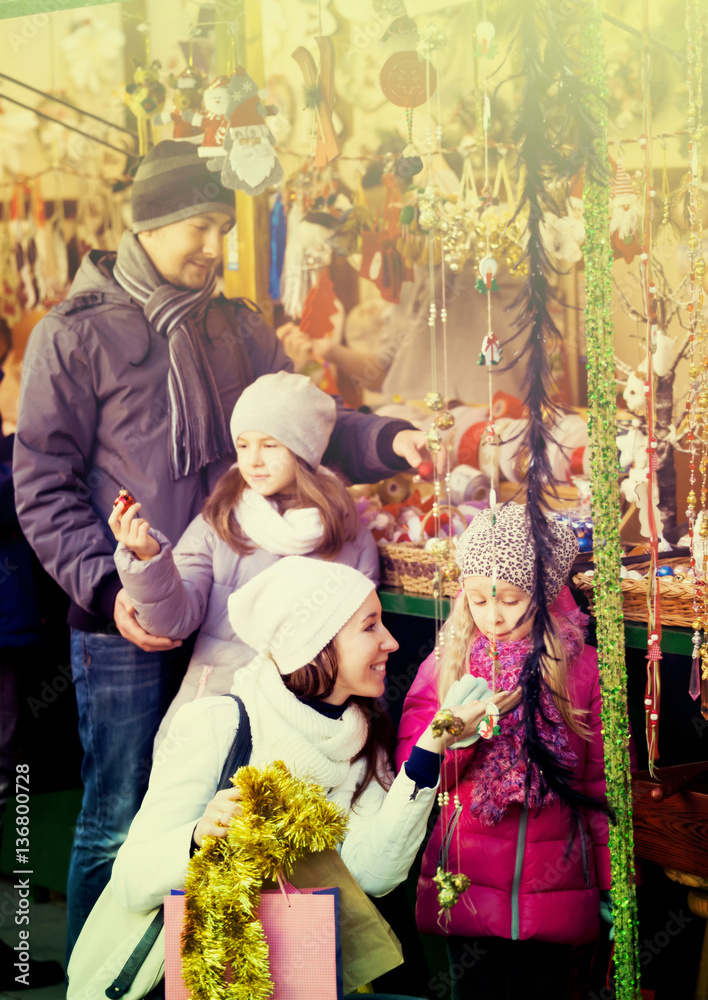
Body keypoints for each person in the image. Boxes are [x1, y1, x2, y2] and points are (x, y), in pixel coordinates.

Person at [12, 140, 430, 956]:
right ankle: (98, 974)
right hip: (129, 621)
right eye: (199, 227)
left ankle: (203, 970)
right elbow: (42, 483)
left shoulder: (234, 326)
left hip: (236, 624)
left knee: (222, 806)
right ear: (151, 224)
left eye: (221, 229)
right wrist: (107, 587)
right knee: (122, 815)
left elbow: (303, 424)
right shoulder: (75, 334)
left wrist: (390, 439)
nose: (215, 248)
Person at [107, 556, 519, 999]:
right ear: (316, 643)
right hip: (180, 974)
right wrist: (197, 835)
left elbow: (374, 874)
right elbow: (130, 881)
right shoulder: (218, 724)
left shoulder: (363, 735)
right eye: (370, 626)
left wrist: (433, 743)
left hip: (295, 975)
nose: (392, 641)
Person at [397, 502, 611, 1000]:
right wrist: (461, 735)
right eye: (477, 600)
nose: (492, 617)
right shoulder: (446, 663)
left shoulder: (582, 671)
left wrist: (611, 882)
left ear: (544, 593)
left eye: (511, 600)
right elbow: (418, 774)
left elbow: (599, 786)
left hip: (556, 889)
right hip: (465, 883)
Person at [108, 370, 380, 746]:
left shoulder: (348, 536)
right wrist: (149, 560)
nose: (252, 461)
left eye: (270, 445)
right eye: (243, 445)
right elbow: (172, 622)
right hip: (213, 718)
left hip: (305, 732)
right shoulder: (219, 519)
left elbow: (360, 649)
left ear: (303, 449)